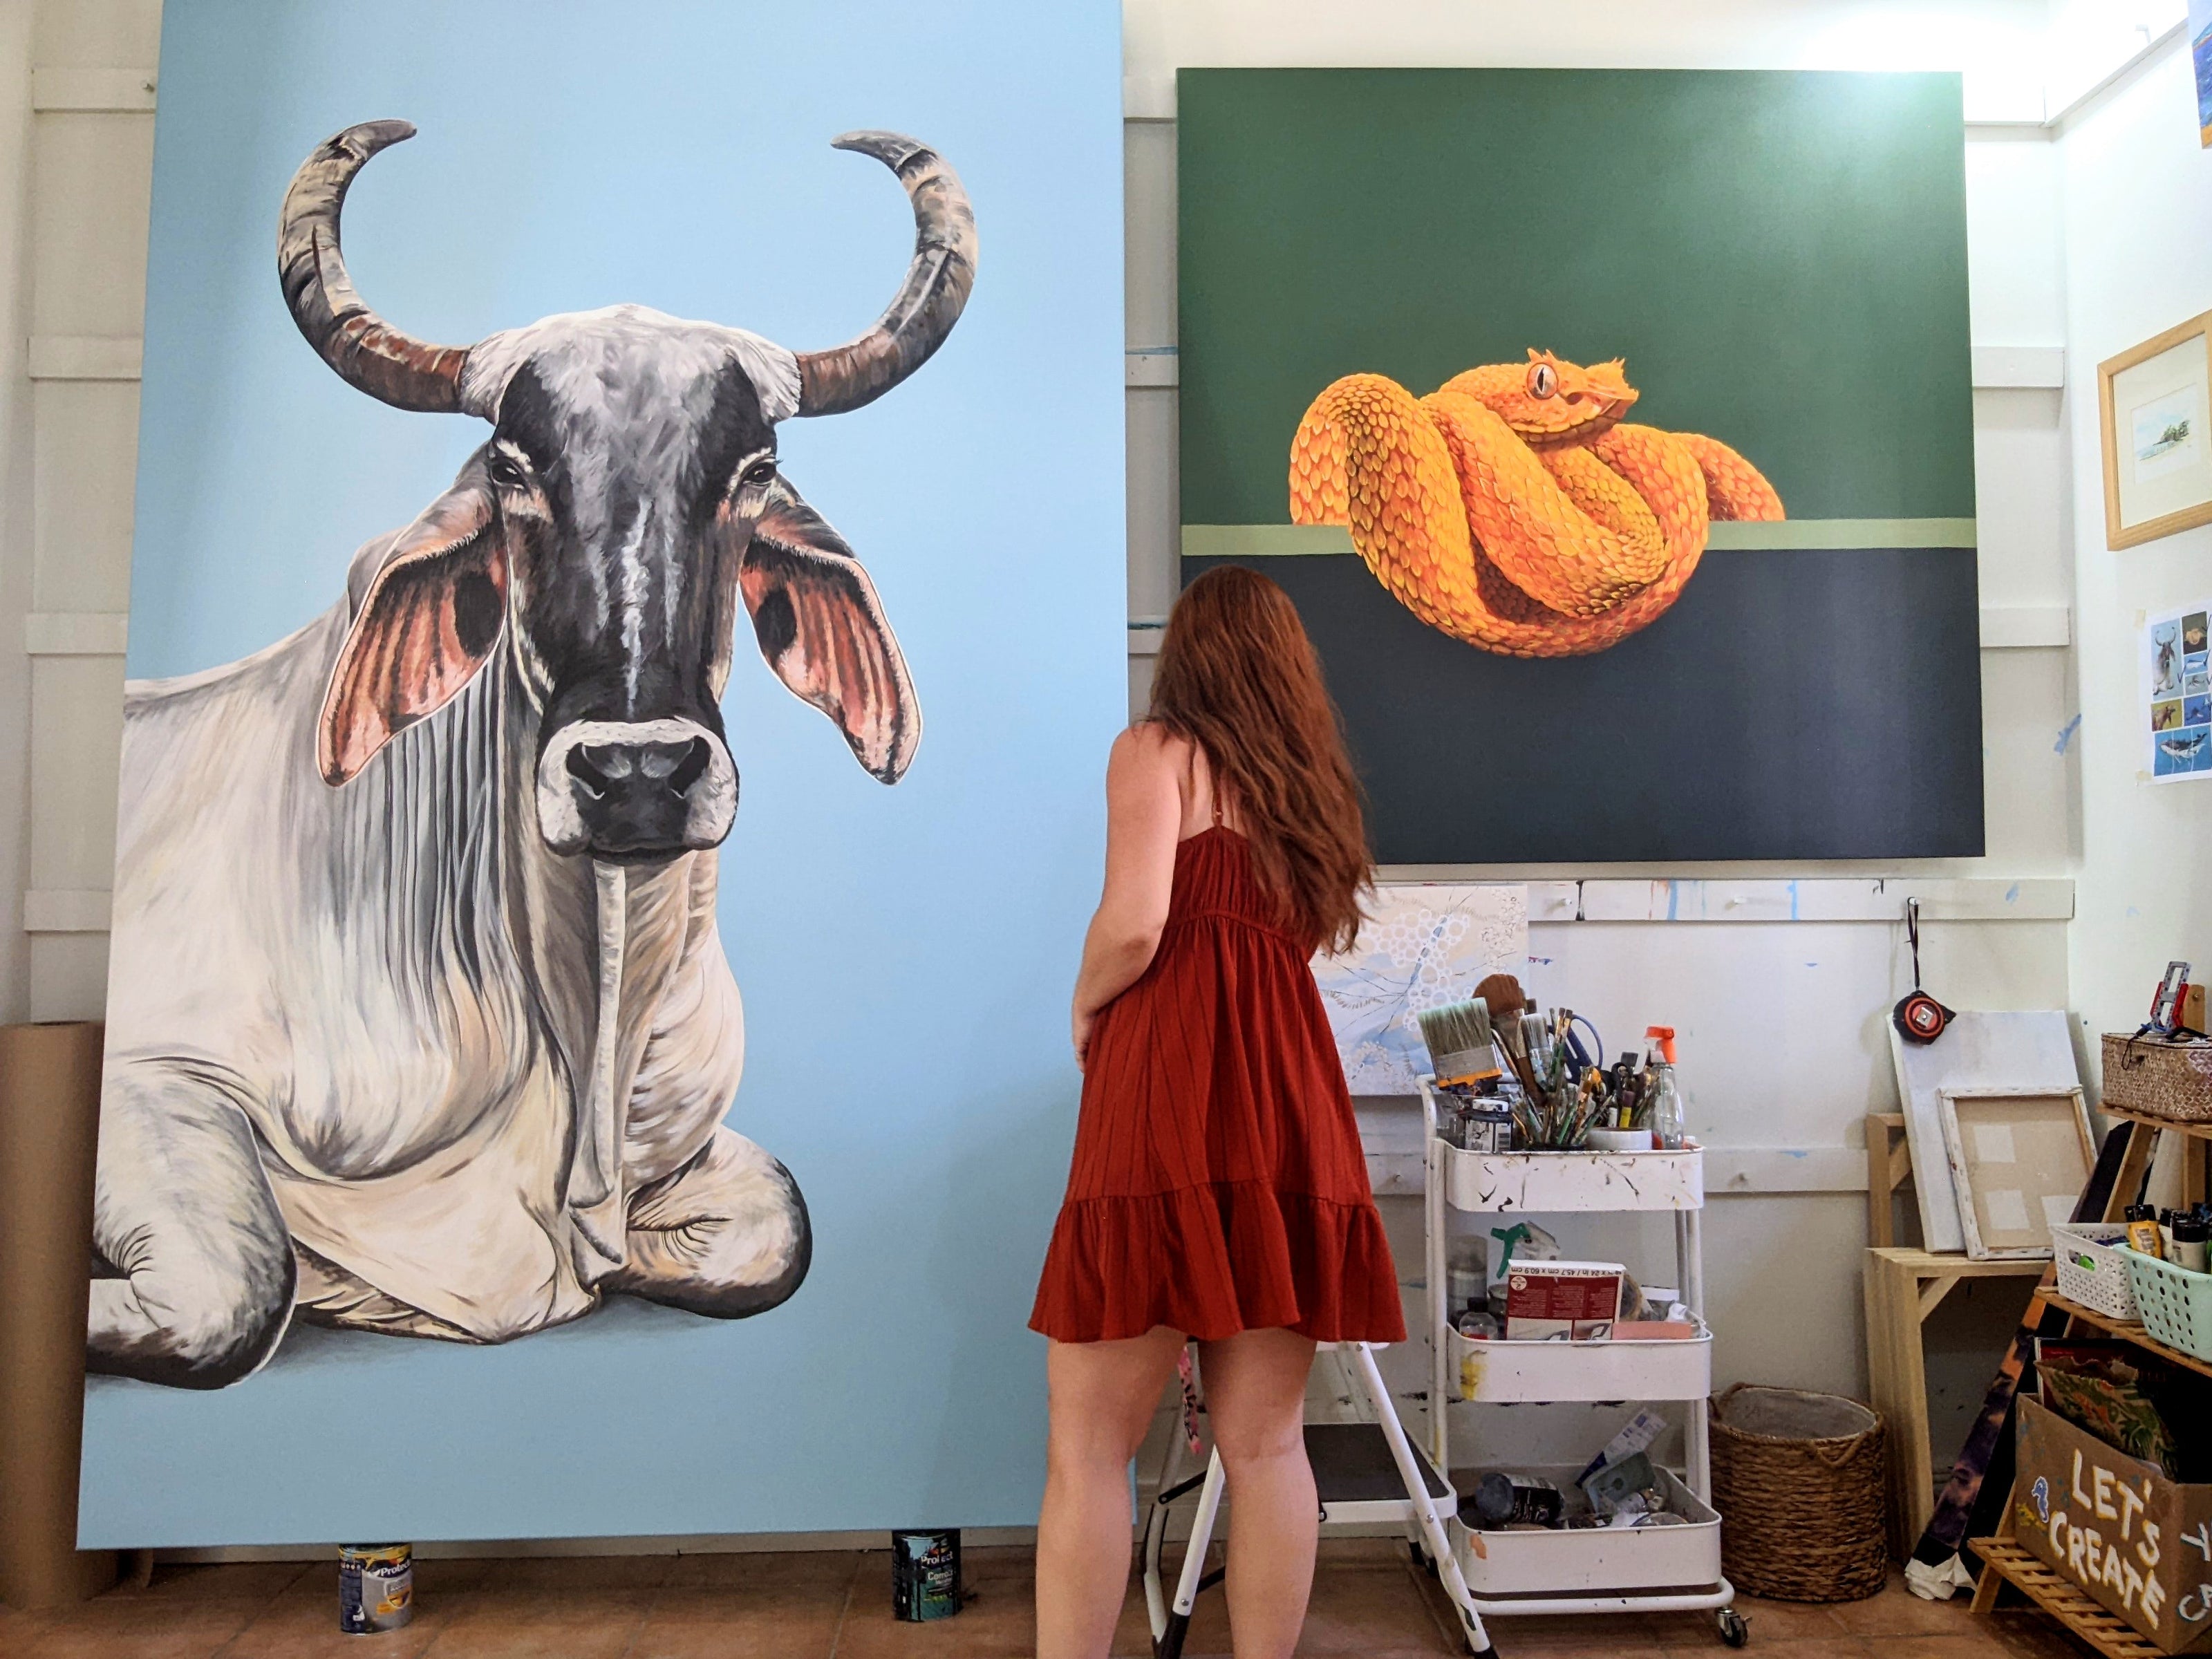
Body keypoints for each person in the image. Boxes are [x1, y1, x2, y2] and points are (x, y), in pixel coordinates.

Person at [1029, 565, 1405, 1658]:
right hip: (1286, 1107)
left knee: (1089, 1448)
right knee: (1270, 1444)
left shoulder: (1156, 753)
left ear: (1187, 657)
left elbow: (1136, 926)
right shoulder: (1309, 799)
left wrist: (1084, 1002)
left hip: (1167, 1097)